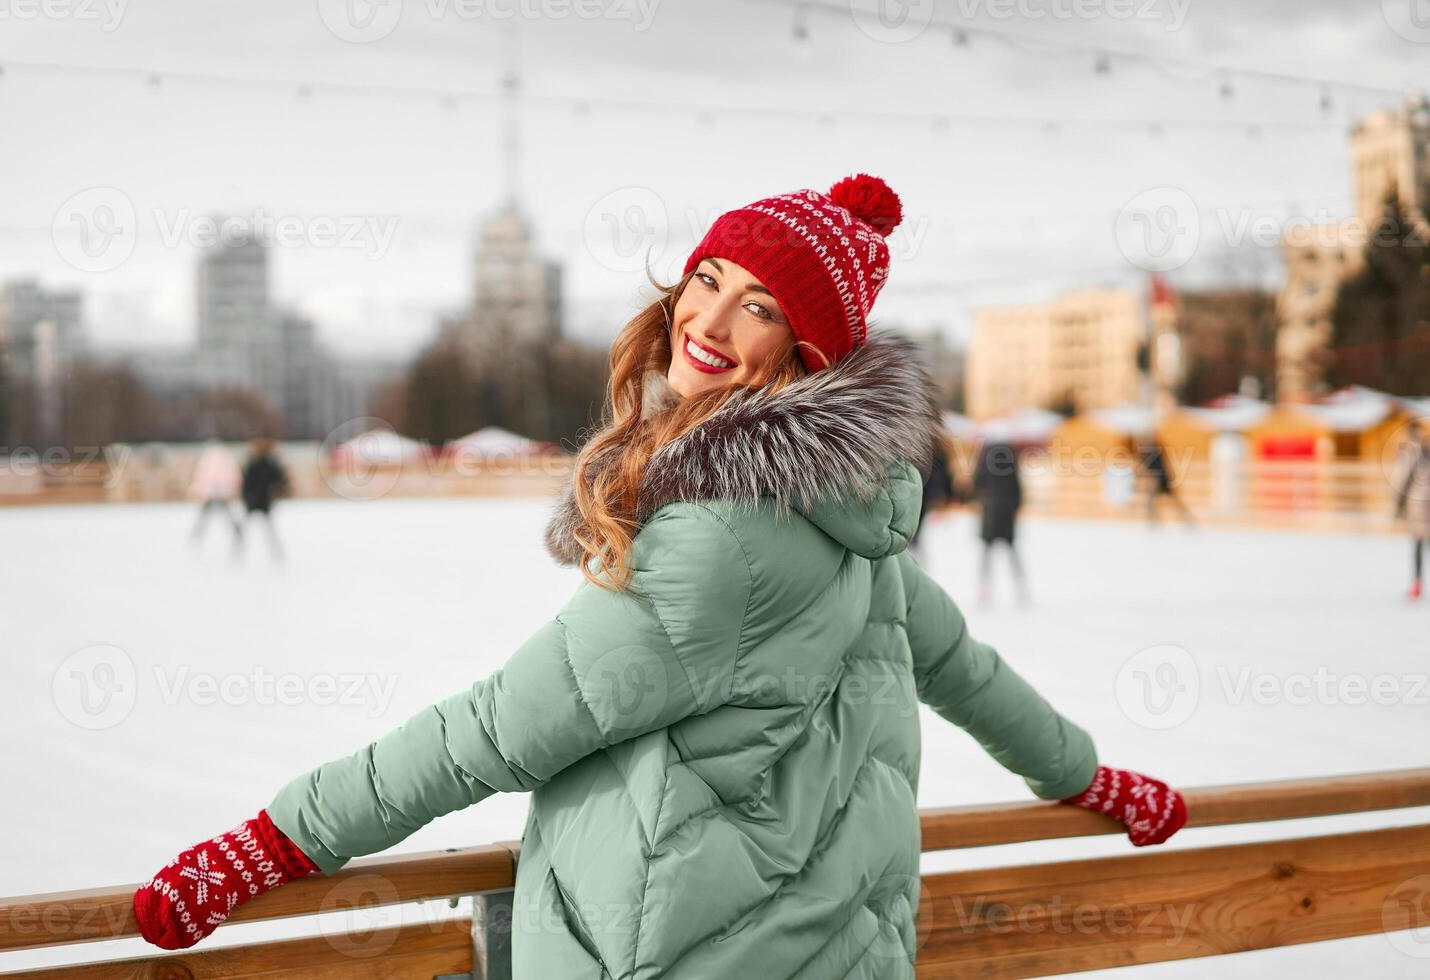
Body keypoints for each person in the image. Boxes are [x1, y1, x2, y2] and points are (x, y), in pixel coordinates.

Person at [133, 174, 1188, 976]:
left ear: (809, 354)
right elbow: (966, 668)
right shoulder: (848, 520)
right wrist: (1087, 777)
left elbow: (502, 726)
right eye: (710, 280)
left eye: (761, 306)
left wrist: (275, 839)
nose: (711, 321)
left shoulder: (723, 534)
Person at [971, 439, 1028, 606]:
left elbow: (976, 483)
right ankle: (1021, 586)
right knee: (1012, 551)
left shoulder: (984, 459)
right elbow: (1018, 489)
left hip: (990, 511)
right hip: (1007, 513)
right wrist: (1015, 507)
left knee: (987, 552)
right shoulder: (1010, 458)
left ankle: (984, 587)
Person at [1392, 417, 1430, 600]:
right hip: (1422, 504)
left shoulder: (1410, 452)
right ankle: (1417, 584)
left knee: (1418, 544)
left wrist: (1399, 505)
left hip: (1419, 505)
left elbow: (1403, 479)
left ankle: (1417, 584)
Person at [906, 427, 954, 566]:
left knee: (916, 529)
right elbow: (945, 477)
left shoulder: (924, 451)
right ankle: (916, 558)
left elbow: (944, 476)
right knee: (916, 529)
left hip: (922, 495)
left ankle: (916, 559)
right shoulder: (933, 451)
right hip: (922, 495)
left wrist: (946, 495)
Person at [236, 437, 289, 561]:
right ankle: (239, 550)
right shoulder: (267, 464)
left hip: (257, 501)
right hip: (261, 501)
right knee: (263, 529)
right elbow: (281, 480)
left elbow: (245, 483)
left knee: (260, 529)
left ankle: (239, 550)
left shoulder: (257, 463)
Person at [185, 438, 242, 547]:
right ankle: (236, 533)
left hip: (210, 493)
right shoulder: (226, 458)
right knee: (225, 515)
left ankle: (197, 536)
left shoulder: (206, 460)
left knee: (205, 517)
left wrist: (196, 490)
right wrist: (233, 489)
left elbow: (200, 477)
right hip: (222, 492)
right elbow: (234, 475)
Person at [1137, 436, 1194, 527]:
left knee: (1170, 502)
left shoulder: (1151, 453)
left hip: (1162, 480)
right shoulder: (1148, 453)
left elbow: (1155, 468)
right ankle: (1154, 523)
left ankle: (1187, 520)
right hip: (1161, 479)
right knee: (1152, 503)